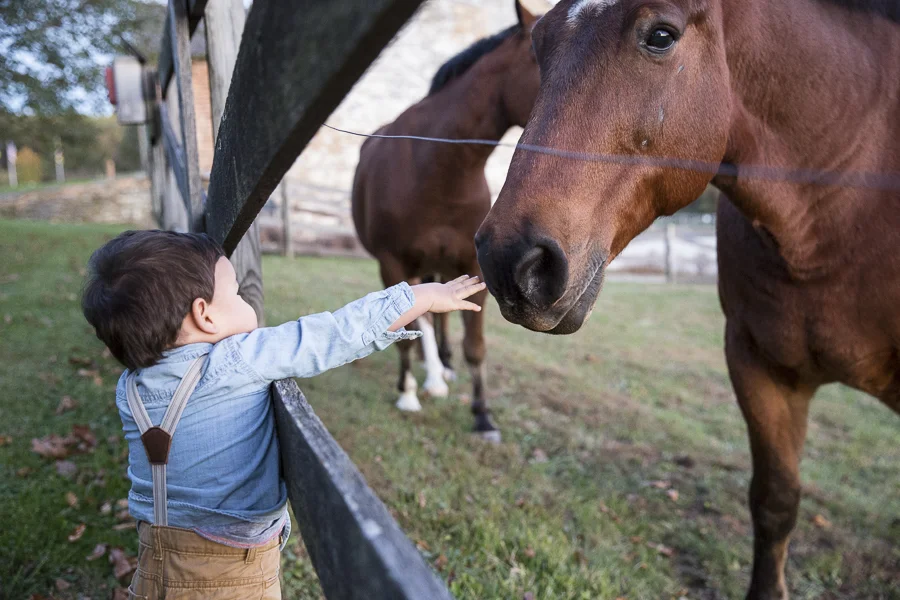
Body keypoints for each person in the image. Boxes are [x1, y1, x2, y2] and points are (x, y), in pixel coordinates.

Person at [81, 229, 485, 599]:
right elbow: (332, 334)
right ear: (205, 315)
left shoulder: (130, 387)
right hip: (231, 574)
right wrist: (421, 298)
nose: (244, 301)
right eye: (237, 294)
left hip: (153, 563)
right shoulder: (235, 361)